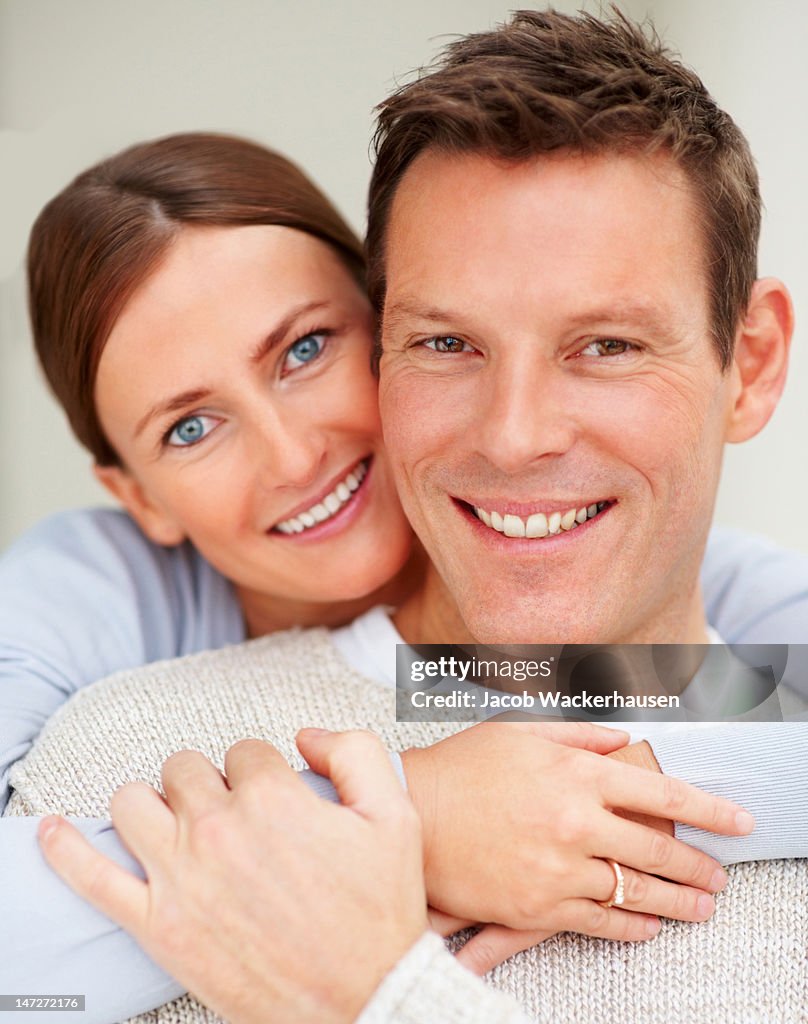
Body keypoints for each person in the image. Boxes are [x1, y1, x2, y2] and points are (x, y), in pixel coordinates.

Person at [6, 10, 808, 1019]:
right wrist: (402, 813)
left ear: (756, 364)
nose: (514, 437)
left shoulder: (777, 682)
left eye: (605, 344)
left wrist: (384, 991)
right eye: (445, 344)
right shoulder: (116, 747)